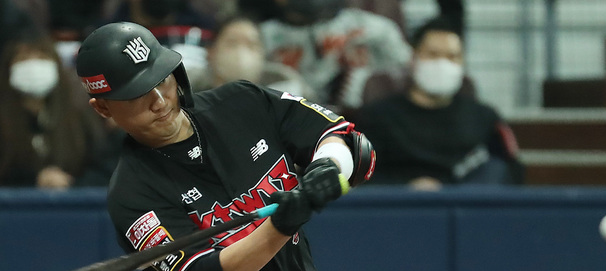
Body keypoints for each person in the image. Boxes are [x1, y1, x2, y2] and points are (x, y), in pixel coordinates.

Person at [76, 22, 375, 271]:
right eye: (135, 93)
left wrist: (327, 167)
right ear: (103, 107)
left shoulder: (241, 101)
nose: (159, 100)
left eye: (161, 80)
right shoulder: (133, 193)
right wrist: (283, 223)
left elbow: (344, 140)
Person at [354, 16, 524, 189]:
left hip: (466, 209)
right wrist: (405, 188)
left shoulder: (485, 118)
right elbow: (358, 173)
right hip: (399, 209)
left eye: (452, 56)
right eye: (433, 54)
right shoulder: (378, 117)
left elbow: (511, 170)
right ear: (413, 59)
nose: (443, 63)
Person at [0, 32, 111, 188]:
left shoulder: (78, 114)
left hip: (73, 204)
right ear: (9, 68)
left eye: (42, 58)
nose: (33, 66)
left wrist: (72, 183)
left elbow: (102, 165)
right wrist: (34, 180)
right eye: (24, 59)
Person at [259, 0, 412, 109]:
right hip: (291, 119)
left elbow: (405, 67)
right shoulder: (263, 36)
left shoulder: (371, 27)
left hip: (359, 118)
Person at [206, 15, 316, 97]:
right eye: (232, 43)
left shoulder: (287, 87)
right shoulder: (192, 90)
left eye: (252, 45)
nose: (241, 52)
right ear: (211, 51)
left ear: (263, 54)